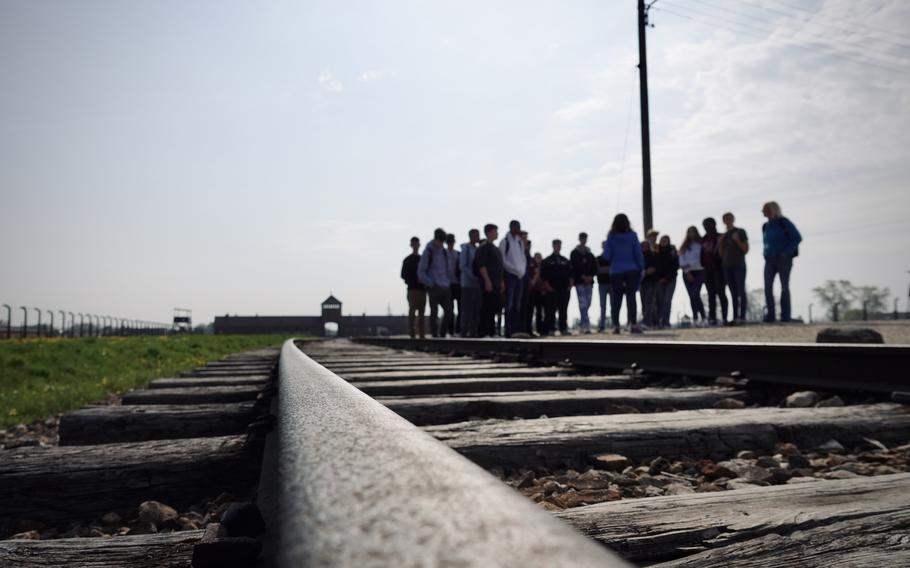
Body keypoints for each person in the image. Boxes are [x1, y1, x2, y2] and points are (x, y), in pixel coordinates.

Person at [761, 201, 802, 323]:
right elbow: (766, 242)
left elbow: (797, 237)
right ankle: (771, 315)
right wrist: (765, 252)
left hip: (783, 259)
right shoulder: (765, 226)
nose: (763, 212)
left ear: (773, 210)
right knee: (768, 287)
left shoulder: (783, 222)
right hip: (769, 259)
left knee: (784, 286)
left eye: (765, 209)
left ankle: (785, 316)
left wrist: (786, 252)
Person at [603, 214, 644, 334]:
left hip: (616, 271)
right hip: (632, 269)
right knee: (631, 297)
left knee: (616, 299)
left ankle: (616, 326)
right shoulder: (633, 235)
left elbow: (607, 255)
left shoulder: (611, 237)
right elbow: (638, 253)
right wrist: (641, 268)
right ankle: (634, 325)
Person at [417, 228, 453, 337]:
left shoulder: (444, 252)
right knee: (434, 312)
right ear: (435, 239)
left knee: (449, 311)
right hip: (434, 286)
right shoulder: (428, 252)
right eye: (440, 241)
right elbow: (421, 272)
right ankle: (435, 334)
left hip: (445, 286)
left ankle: (442, 333)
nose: (441, 244)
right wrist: (431, 283)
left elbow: (448, 269)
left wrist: (448, 281)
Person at [718, 212, 749, 324]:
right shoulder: (724, 236)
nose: (727, 220)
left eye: (729, 218)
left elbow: (746, 249)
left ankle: (742, 317)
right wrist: (720, 243)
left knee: (741, 291)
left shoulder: (740, 232)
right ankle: (735, 317)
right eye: (725, 219)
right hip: (726, 267)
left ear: (733, 219)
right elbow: (721, 255)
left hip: (739, 265)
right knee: (733, 293)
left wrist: (737, 240)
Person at [475, 223, 505, 337]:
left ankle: (492, 331)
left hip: (497, 283)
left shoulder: (496, 249)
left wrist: (502, 281)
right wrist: (487, 281)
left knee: (494, 308)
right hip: (488, 283)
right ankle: (483, 332)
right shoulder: (483, 248)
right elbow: (481, 265)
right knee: (486, 308)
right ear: (488, 232)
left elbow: (500, 266)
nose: (496, 233)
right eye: (494, 231)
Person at [499, 220, 527, 337]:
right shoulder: (505, 241)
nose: (518, 229)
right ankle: (508, 330)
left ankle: (515, 329)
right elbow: (503, 260)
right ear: (511, 227)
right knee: (509, 304)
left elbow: (523, 257)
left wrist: (522, 270)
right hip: (510, 275)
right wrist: (514, 269)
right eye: (517, 227)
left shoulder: (519, 242)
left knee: (517, 304)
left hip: (520, 276)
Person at [541, 239, 573, 335]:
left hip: (564, 289)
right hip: (552, 289)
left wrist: (569, 287)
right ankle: (551, 329)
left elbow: (571, 274)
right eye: (556, 245)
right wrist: (548, 287)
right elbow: (544, 276)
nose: (558, 247)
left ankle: (563, 328)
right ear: (553, 246)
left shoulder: (565, 260)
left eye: (559, 245)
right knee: (551, 310)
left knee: (563, 310)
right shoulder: (547, 261)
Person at [701, 217, 728, 325]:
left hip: (719, 269)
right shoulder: (704, 238)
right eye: (705, 225)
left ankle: (724, 317)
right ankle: (712, 318)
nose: (707, 227)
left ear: (714, 225)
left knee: (721, 293)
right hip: (707, 270)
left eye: (709, 224)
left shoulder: (720, 237)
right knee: (711, 294)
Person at [679, 226, 707, 324]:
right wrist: (687, 271)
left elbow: (702, 258)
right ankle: (695, 317)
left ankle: (703, 317)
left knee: (695, 294)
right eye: (689, 232)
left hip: (699, 272)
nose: (691, 234)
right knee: (691, 296)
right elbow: (681, 260)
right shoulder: (684, 247)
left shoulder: (701, 244)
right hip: (687, 273)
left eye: (693, 232)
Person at [570, 232, 597, 334]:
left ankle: (583, 322)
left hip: (589, 283)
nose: (583, 240)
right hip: (579, 282)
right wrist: (581, 276)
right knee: (583, 304)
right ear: (579, 239)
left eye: (585, 238)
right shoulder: (574, 253)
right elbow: (573, 267)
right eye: (582, 238)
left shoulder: (590, 254)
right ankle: (585, 325)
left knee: (588, 303)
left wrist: (590, 276)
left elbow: (595, 267)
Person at [400, 236, 426, 338]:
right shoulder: (407, 260)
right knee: (412, 311)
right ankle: (412, 333)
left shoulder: (422, 259)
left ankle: (422, 334)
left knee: (422, 313)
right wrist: (411, 281)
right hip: (412, 289)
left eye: (417, 243)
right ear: (411, 245)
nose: (415, 245)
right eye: (414, 243)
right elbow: (403, 274)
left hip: (422, 289)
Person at [458, 229, 482, 337]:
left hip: (476, 285)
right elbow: (462, 266)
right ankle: (464, 332)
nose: (478, 237)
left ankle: (473, 332)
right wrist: (473, 277)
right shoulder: (466, 249)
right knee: (467, 310)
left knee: (476, 310)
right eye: (476, 235)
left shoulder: (477, 249)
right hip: (467, 284)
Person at [656, 235, 679, 328]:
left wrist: (667, 277)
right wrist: (660, 278)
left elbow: (675, 266)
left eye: (666, 240)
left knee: (667, 300)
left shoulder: (673, 251)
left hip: (671, 280)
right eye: (662, 240)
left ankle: (666, 321)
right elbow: (656, 265)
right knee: (660, 301)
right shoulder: (657, 252)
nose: (664, 242)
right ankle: (660, 321)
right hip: (659, 280)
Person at [640, 230, 660, 328]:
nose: (644, 248)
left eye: (646, 246)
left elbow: (654, 268)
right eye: (642, 246)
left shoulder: (653, 255)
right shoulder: (639, 257)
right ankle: (654, 322)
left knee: (649, 302)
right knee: (644, 303)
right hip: (642, 282)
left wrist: (648, 271)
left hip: (652, 282)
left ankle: (647, 322)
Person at [528, 252, 548, 335]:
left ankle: (542, 329)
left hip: (542, 292)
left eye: (540, 257)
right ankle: (532, 329)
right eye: (537, 257)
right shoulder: (531, 268)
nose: (538, 259)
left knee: (542, 312)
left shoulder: (544, 268)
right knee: (532, 311)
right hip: (533, 292)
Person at [445, 233, 461, 336]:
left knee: (460, 308)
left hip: (458, 284)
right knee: (449, 309)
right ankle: (450, 330)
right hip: (447, 284)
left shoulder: (458, 254)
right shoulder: (443, 254)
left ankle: (458, 329)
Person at [596, 237, 611, 332]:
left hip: (612, 284)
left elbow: (613, 269)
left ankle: (615, 325)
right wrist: (608, 269)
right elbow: (598, 270)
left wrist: (604, 269)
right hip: (602, 284)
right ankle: (602, 325)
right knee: (603, 306)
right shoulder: (598, 258)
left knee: (614, 305)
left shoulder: (613, 258)